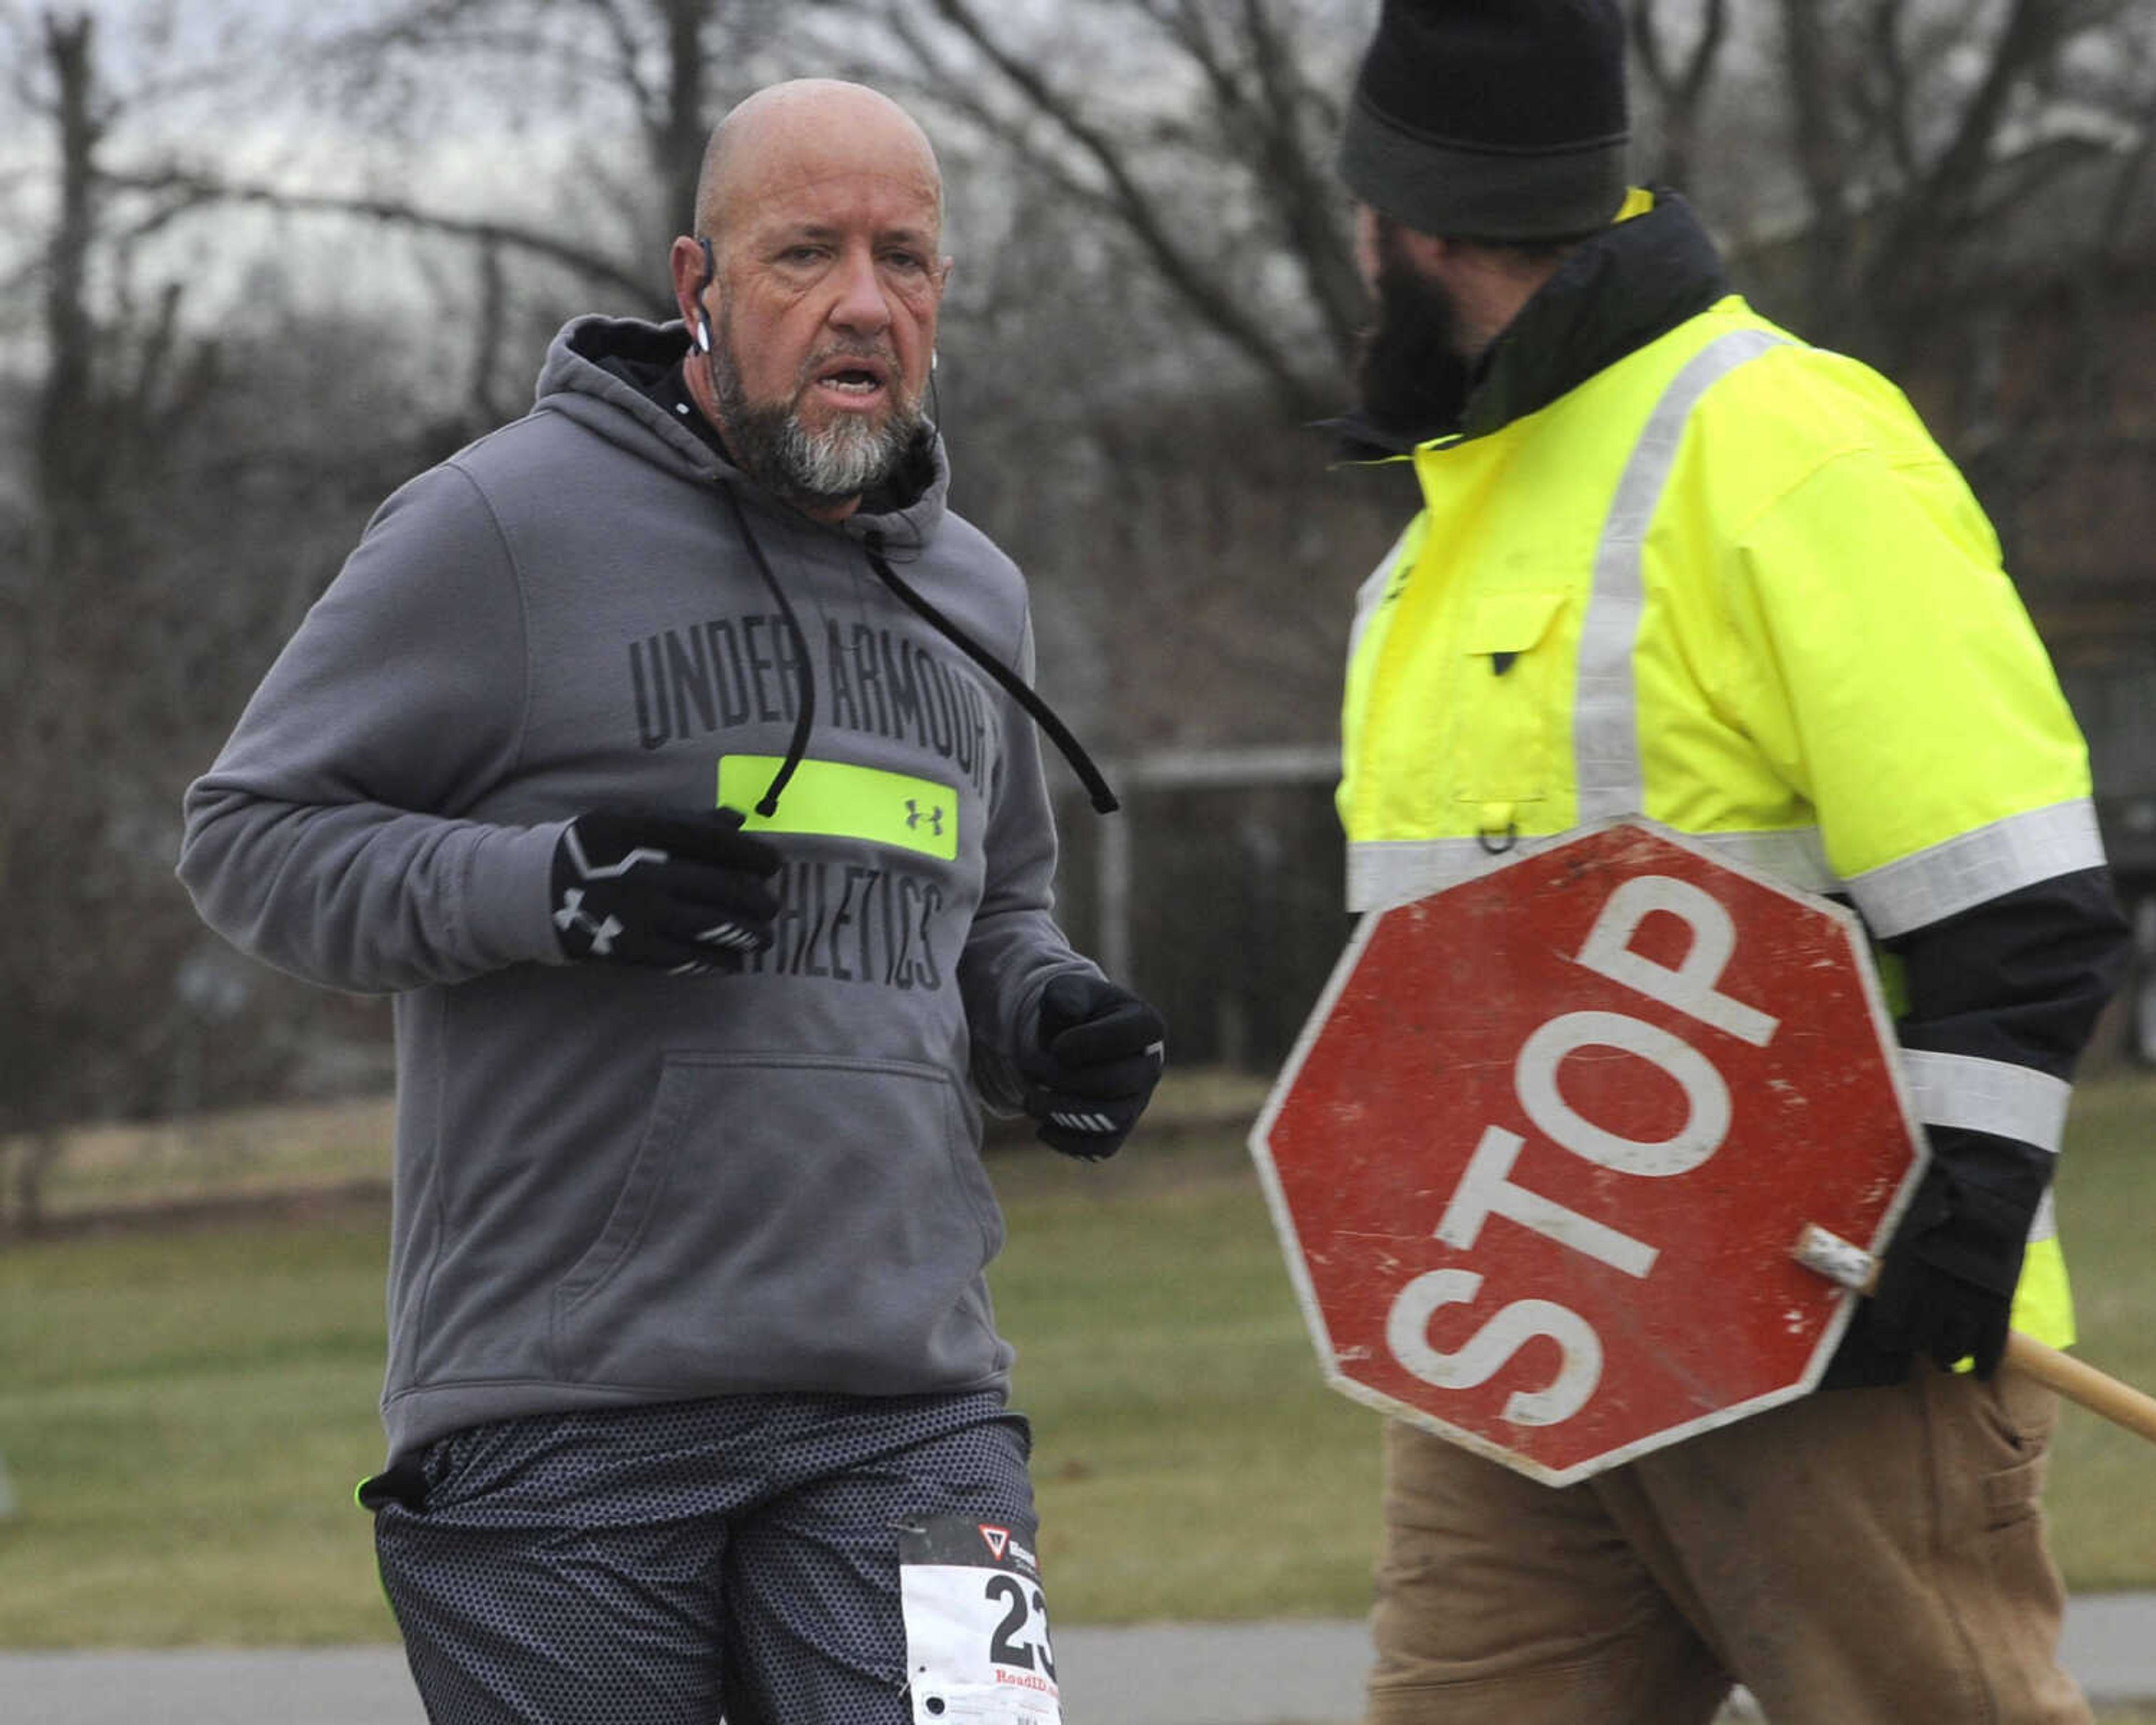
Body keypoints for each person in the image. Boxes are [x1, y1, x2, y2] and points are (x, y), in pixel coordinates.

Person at [178, 77, 1164, 1725]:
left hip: (909, 1405)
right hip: (566, 1423)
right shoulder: (496, 527)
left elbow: (990, 917)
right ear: (697, 285)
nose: (865, 301)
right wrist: (547, 887)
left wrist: (1044, 1015)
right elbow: (251, 839)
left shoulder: (973, 591)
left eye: (905, 260)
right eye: (807, 255)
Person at [1319, 3, 2130, 1722]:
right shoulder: (1443, 536)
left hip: (1831, 1343)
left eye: (1359, 221)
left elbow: (2023, 893)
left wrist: (1955, 1237)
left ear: (1418, 223)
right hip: (1517, 1351)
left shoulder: (1789, 449)